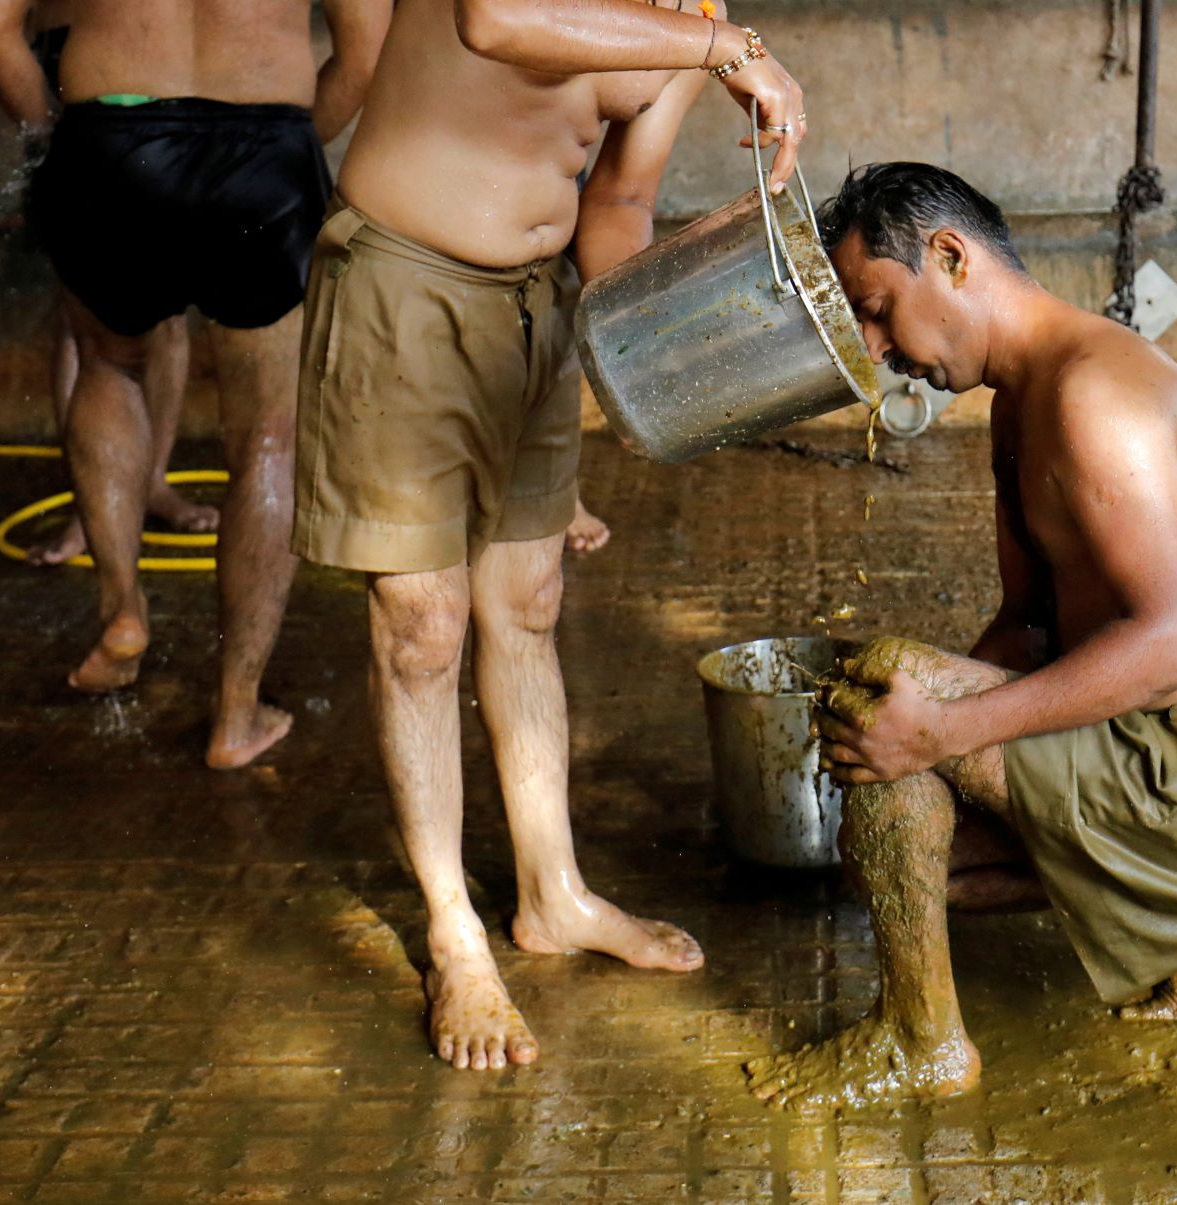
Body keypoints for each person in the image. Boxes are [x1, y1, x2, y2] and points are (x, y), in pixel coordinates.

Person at [291, 0, 805, 1071]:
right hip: (405, 277)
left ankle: (551, 892)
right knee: (420, 624)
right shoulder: (709, 35)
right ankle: (450, 933)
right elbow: (493, 19)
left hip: (536, 310)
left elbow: (616, 202)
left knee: (524, 604)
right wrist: (726, 51)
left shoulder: (695, 13)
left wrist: (687, 321)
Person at [745, 163, 1177, 1109]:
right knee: (887, 812)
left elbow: (1175, 641)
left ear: (950, 256)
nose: (878, 349)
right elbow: (1024, 627)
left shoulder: (1094, 392)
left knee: (892, 696)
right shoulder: (1022, 399)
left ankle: (918, 1042)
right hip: (1161, 752)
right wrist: (925, 731)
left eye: (879, 309)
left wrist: (943, 728)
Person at [0, 0, 390, 769]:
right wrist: (284, 147)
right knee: (268, 434)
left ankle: (121, 612)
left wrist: (57, 141)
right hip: (266, 149)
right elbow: (364, 53)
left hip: (110, 141)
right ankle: (235, 712)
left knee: (111, 366)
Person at [0, 0, 217, 567]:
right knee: (93, 317)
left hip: (145, 58)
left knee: (135, 313)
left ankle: (148, 484)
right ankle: (100, 503)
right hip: (100, 56)